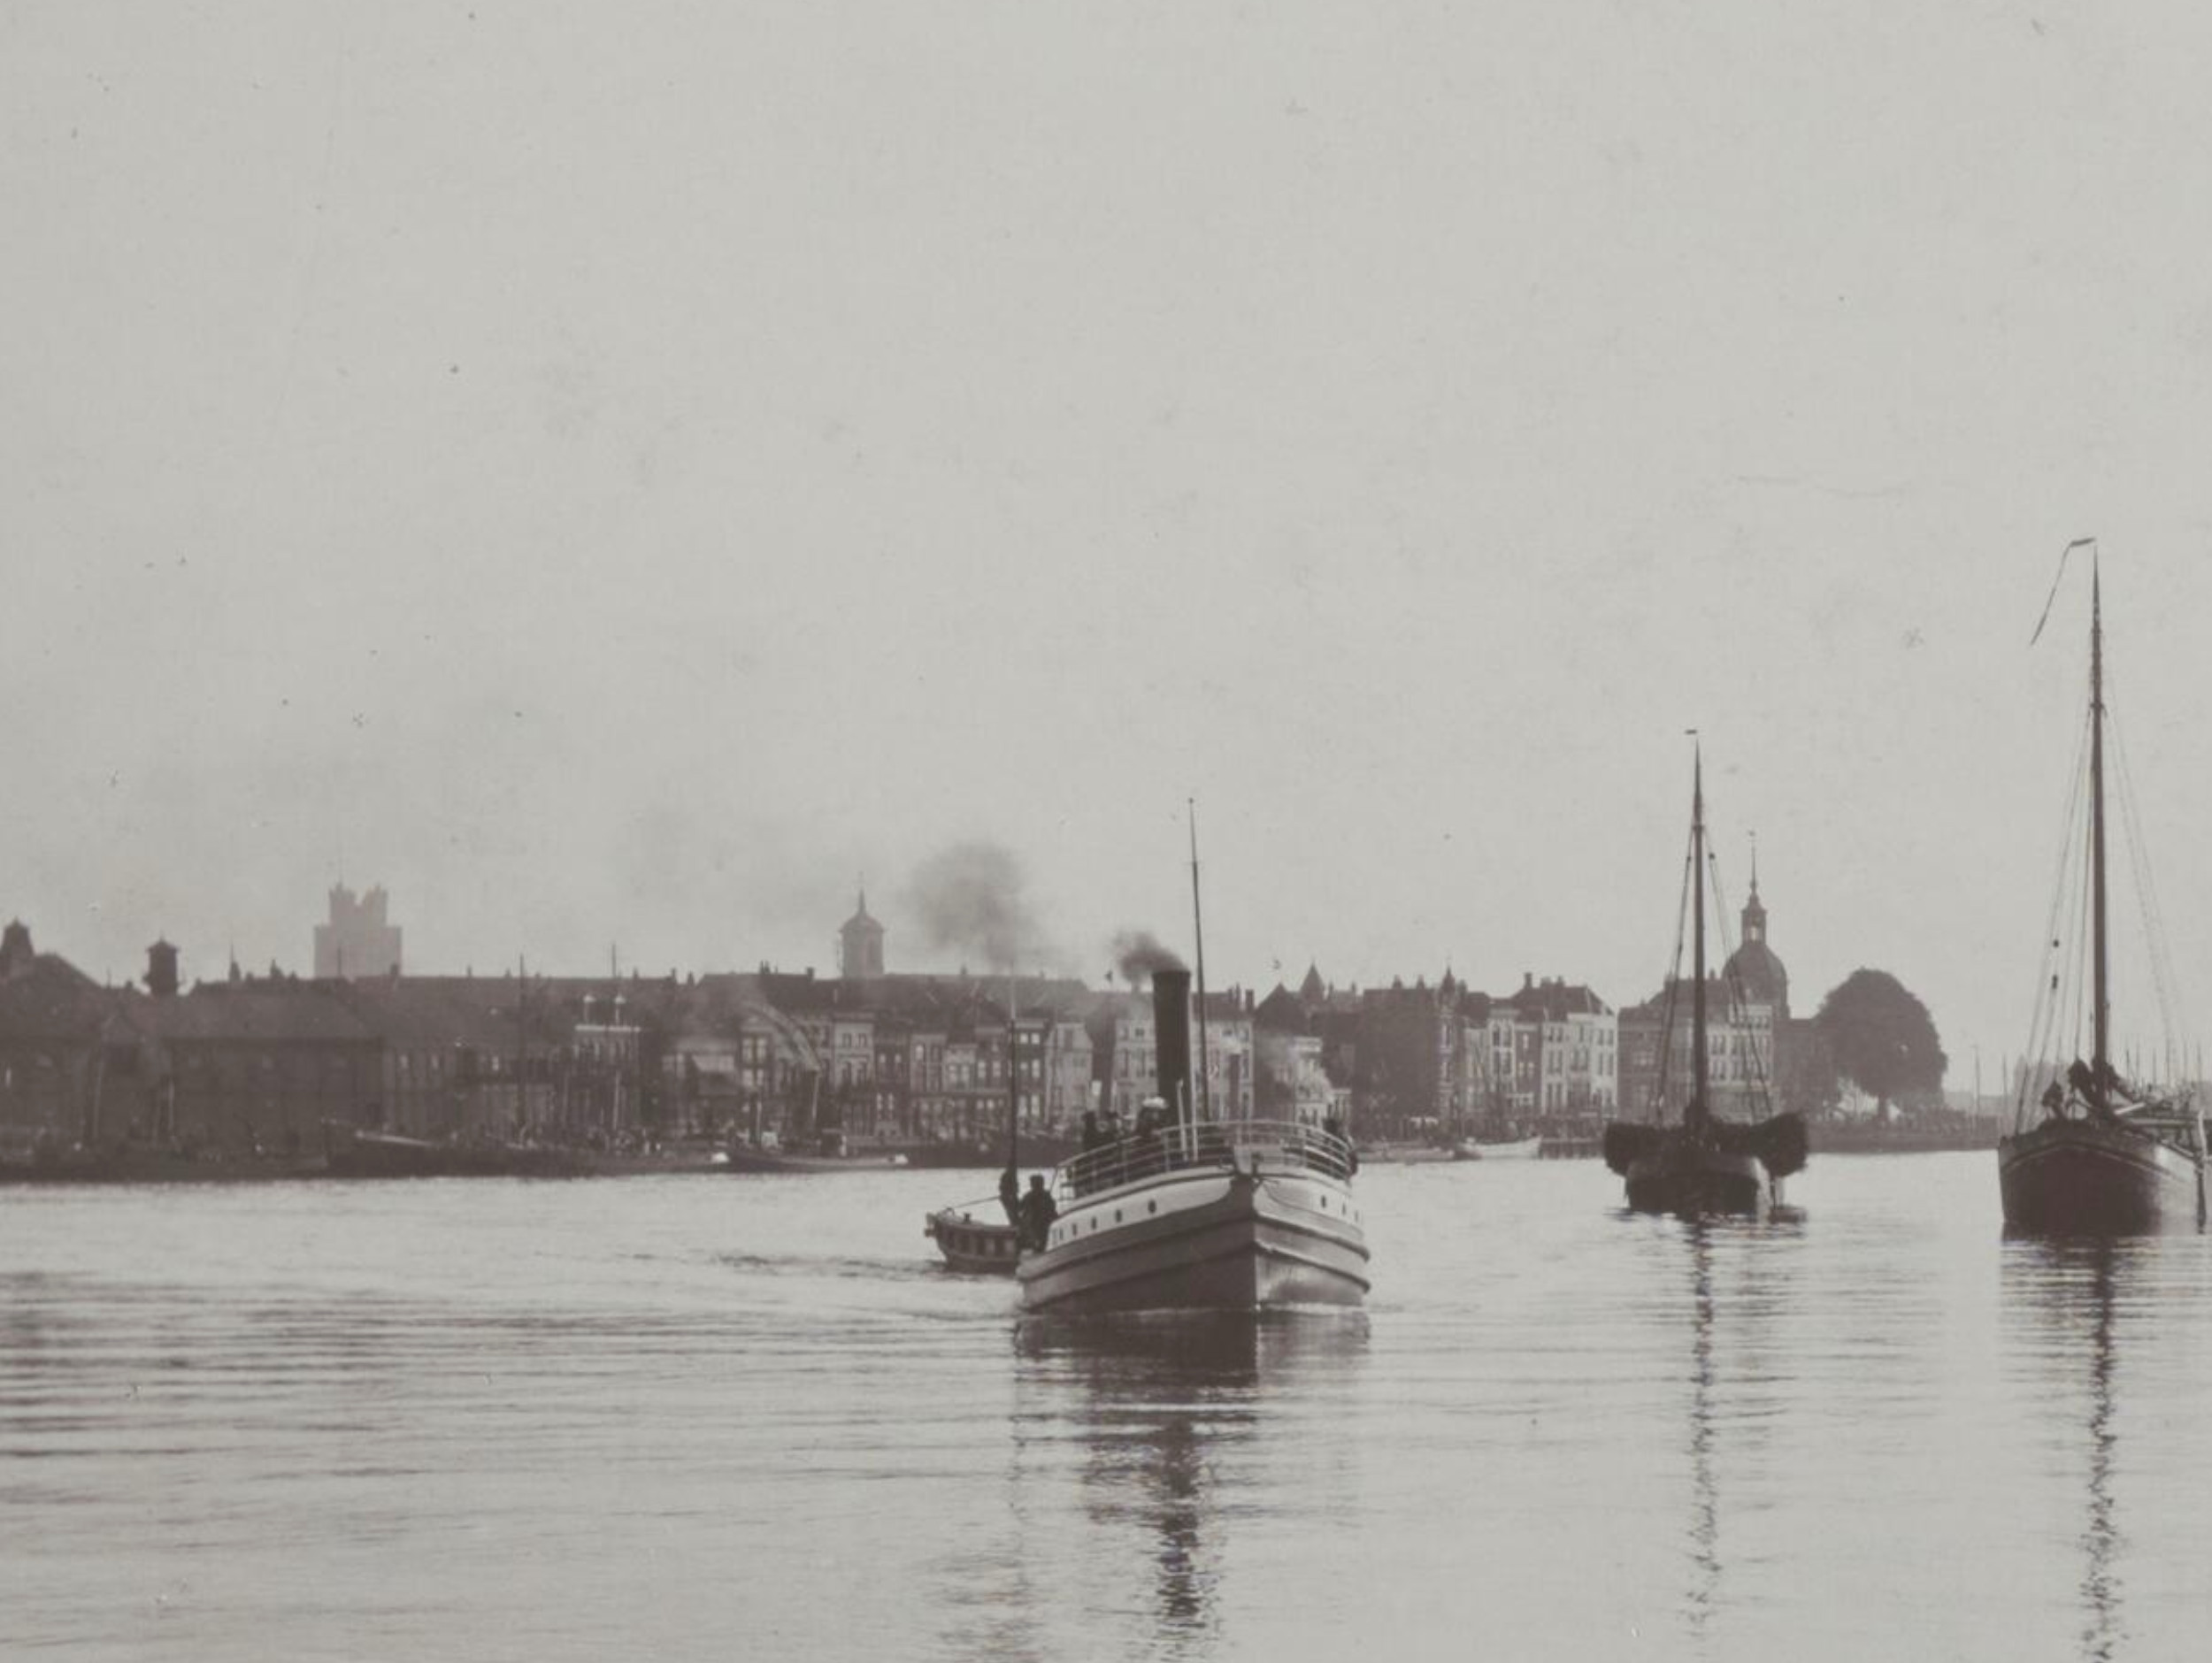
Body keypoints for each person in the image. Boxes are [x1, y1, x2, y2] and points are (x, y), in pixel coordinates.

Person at [1018, 1171, 1058, 1251]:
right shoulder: (1041, 1195)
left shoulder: (1034, 1195)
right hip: (1038, 1222)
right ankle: (1037, 1244)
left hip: (1040, 1221)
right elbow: (1020, 1208)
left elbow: (1020, 1208)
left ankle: (1038, 1244)